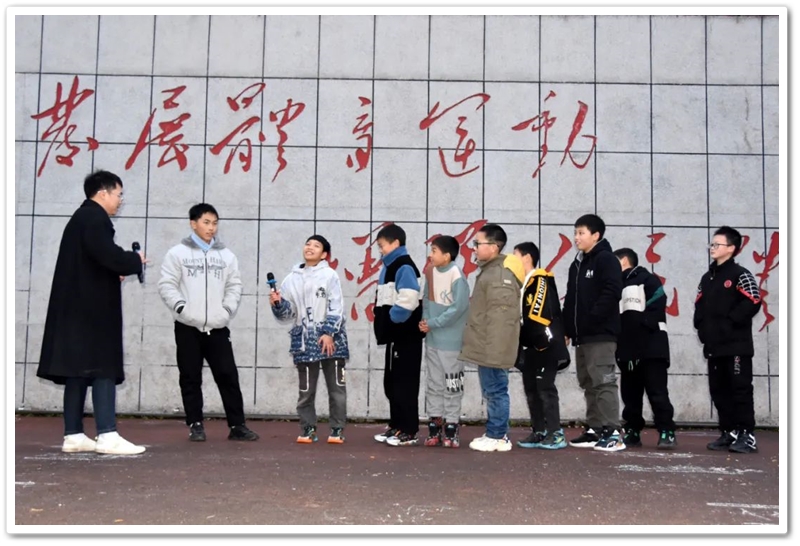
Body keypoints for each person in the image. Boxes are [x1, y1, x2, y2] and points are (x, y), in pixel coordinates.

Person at [37, 170, 147, 455]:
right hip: (92, 312)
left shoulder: (81, 218)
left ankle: (74, 434)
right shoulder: (95, 219)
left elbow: (93, 262)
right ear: (102, 193)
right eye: (118, 194)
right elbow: (108, 255)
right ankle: (107, 434)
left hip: (76, 309)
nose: (120, 200)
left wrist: (113, 271)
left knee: (76, 371)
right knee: (102, 367)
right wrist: (133, 260)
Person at [157, 203, 258, 442]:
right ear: (193, 224)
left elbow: (234, 286)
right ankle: (196, 425)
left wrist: (226, 310)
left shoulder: (226, 256)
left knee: (228, 376)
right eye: (206, 222)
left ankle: (237, 426)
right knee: (190, 377)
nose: (211, 228)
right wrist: (181, 308)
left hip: (218, 326)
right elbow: (166, 284)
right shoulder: (177, 253)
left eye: (214, 223)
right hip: (187, 326)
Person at [269, 235, 349, 444]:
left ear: (324, 254)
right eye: (308, 244)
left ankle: (337, 429)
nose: (310, 247)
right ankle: (308, 428)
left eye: (316, 245)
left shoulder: (330, 275)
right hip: (304, 342)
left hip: (332, 343)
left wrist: (328, 333)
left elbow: (337, 306)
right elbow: (288, 315)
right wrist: (278, 304)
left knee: (336, 388)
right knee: (306, 390)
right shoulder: (291, 279)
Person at [694, 226, 762, 454]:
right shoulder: (707, 278)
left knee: (740, 389)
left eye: (717, 244)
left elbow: (753, 300)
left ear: (731, 248)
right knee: (718, 390)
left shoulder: (740, 274)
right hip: (714, 346)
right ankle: (729, 431)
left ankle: (746, 435)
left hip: (736, 346)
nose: (712, 248)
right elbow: (699, 305)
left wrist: (729, 323)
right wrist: (702, 327)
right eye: (711, 244)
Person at [459, 224, 525, 452]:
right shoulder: (491, 271)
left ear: (494, 247)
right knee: (493, 390)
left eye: (478, 243)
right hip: (488, 344)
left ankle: (498, 435)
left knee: (496, 390)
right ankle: (495, 433)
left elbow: (502, 318)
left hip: (493, 347)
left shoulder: (499, 274)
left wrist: (494, 352)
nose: (474, 248)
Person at [562, 214, 625, 452]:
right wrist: (568, 329)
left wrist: (592, 319)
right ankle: (595, 429)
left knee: (603, 381)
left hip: (601, 334)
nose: (576, 237)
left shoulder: (606, 260)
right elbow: (571, 299)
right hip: (582, 336)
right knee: (588, 382)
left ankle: (613, 432)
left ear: (596, 235)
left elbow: (612, 292)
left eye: (581, 233)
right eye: (575, 233)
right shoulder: (577, 264)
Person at [613, 248, 677, 449]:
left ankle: (666, 431)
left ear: (624, 261)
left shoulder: (647, 279)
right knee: (630, 395)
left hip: (651, 348)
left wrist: (640, 327)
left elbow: (657, 304)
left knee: (657, 392)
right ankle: (632, 430)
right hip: (627, 349)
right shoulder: (615, 285)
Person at [372, 223, 425, 447]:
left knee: (405, 383)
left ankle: (409, 431)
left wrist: (393, 319)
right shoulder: (390, 265)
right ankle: (397, 425)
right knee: (392, 382)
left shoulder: (403, 266)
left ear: (395, 243)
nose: (380, 250)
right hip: (395, 336)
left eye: (382, 245)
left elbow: (409, 298)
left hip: (405, 336)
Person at [513, 242, 570, 450]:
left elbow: (538, 315)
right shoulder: (522, 283)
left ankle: (556, 433)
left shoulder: (540, 279)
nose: (512, 260)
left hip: (545, 345)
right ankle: (539, 431)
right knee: (531, 389)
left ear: (527, 258)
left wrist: (539, 340)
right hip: (529, 346)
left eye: (515, 256)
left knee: (545, 388)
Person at [418, 236, 470, 448]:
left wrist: (433, 323)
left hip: (452, 342)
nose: (430, 255)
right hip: (432, 340)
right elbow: (426, 300)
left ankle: (452, 427)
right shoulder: (431, 272)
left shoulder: (457, 275)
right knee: (434, 384)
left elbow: (458, 309)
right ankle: (434, 426)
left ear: (447, 256)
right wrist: (426, 321)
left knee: (452, 385)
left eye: (434, 251)